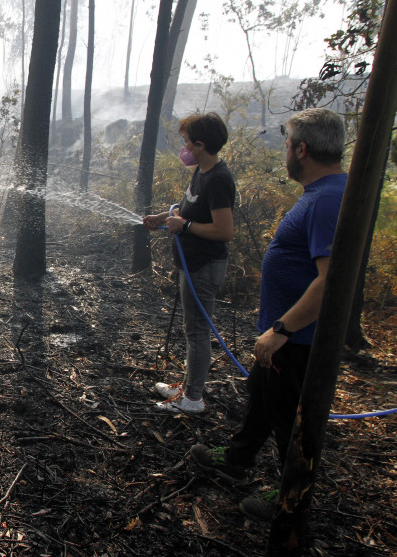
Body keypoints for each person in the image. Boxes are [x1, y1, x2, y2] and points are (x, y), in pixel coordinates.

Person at [188, 108, 348, 522]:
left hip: (297, 338)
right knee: (261, 393)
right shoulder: (322, 192)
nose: (284, 152)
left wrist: (283, 327)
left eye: (286, 144)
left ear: (302, 148)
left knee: (287, 416)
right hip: (287, 328)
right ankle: (238, 457)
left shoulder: (329, 198)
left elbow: (331, 280)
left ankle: (290, 497)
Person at [143, 112, 236, 414]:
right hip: (193, 265)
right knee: (191, 328)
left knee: (197, 332)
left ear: (199, 145)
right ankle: (187, 385)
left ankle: (192, 399)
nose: (182, 148)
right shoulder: (203, 171)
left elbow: (224, 231)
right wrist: (164, 216)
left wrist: (183, 227)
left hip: (204, 267)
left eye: (185, 142)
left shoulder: (219, 179)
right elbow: (191, 208)